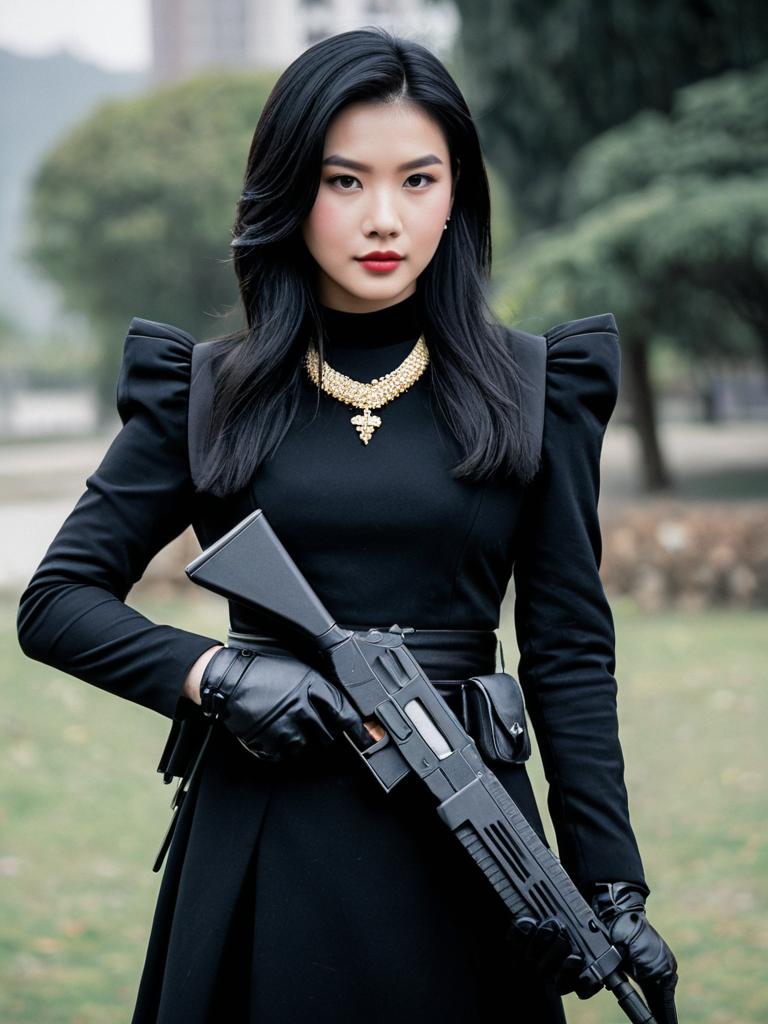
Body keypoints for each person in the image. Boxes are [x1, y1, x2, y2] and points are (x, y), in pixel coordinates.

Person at [16, 26, 678, 1024]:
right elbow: (56, 602)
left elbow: (570, 650)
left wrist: (611, 884)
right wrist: (217, 677)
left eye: (418, 180)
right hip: (264, 828)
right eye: (344, 182)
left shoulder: (536, 389)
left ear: (458, 193)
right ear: (292, 192)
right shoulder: (208, 393)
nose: (384, 218)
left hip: (474, 841)